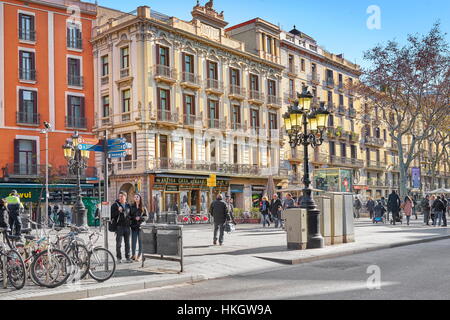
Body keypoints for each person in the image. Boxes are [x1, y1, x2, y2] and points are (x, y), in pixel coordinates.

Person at [111, 191, 132, 263]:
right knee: (119, 244)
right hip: (119, 227)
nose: (120, 198)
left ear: (125, 197)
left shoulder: (128, 205)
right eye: (119, 196)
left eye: (122, 196)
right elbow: (111, 215)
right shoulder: (115, 205)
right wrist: (118, 211)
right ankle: (119, 258)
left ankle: (128, 257)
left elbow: (131, 215)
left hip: (127, 227)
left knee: (127, 243)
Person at [130, 194, 148, 261]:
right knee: (133, 241)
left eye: (137, 197)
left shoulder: (143, 207)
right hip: (134, 226)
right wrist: (134, 218)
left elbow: (146, 217)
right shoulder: (132, 206)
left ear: (140, 198)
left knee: (140, 241)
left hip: (140, 227)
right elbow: (129, 216)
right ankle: (133, 255)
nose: (136, 198)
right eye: (134, 197)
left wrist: (140, 218)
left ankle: (139, 255)